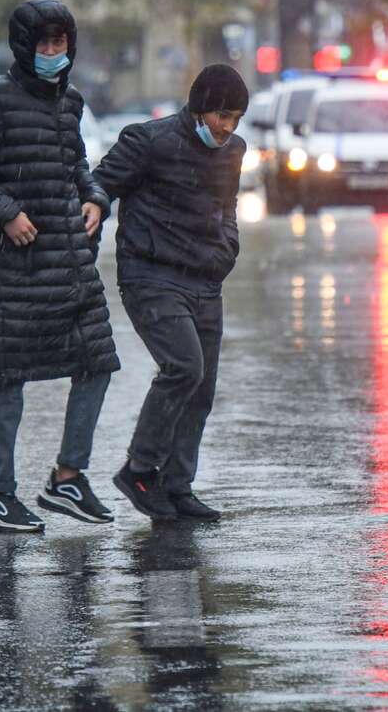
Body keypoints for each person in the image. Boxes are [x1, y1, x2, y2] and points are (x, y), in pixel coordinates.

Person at [0, 0, 118, 534]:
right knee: (6, 377)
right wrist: (7, 212)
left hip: (72, 264)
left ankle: (67, 478)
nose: (51, 52)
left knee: (98, 363)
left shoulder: (71, 101)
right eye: (42, 43)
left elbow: (76, 167)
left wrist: (96, 199)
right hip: (16, 269)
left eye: (60, 42)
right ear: (23, 45)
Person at [95, 64, 250, 522]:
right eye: (221, 114)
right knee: (184, 366)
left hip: (205, 280)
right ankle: (139, 470)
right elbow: (100, 184)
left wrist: (227, 249)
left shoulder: (234, 150)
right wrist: (89, 208)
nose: (227, 127)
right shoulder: (149, 141)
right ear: (200, 107)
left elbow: (228, 209)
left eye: (236, 117)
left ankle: (178, 485)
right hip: (151, 277)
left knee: (201, 388)